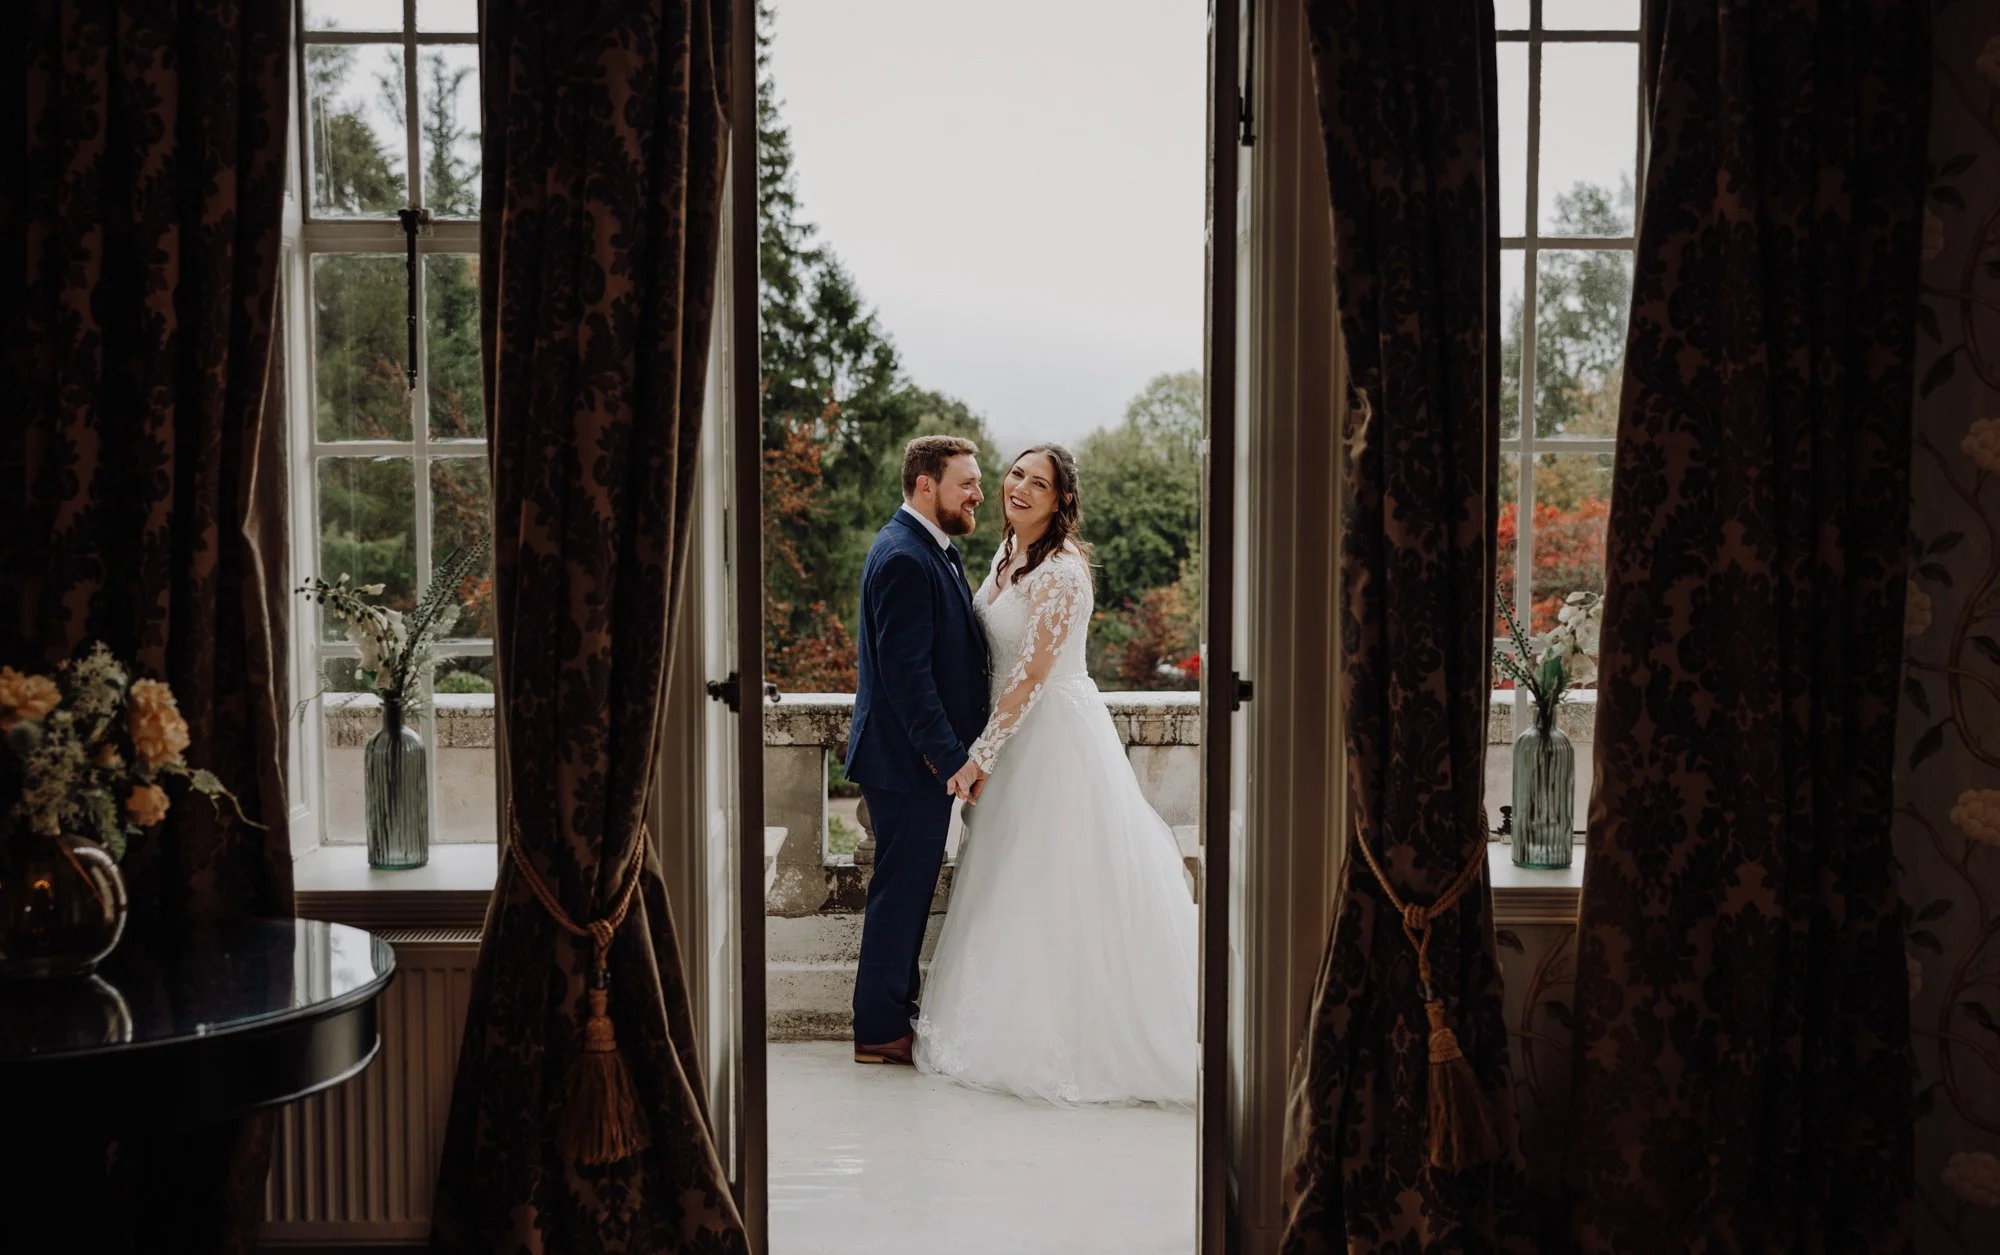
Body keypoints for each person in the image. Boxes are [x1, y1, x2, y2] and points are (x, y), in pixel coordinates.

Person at [914, 444, 1198, 1107]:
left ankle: (1075, 1038)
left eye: (1036, 482)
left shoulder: (1064, 574)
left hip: (1054, 737)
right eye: (1014, 474)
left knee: (1059, 880)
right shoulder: (1006, 555)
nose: (1018, 487)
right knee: (1010, 878)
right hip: (1014, 739)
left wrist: (981, 753)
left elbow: (1033, 675)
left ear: (1060, 500)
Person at [843, 435, 991, 1065]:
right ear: (927, 485)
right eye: (967, 483)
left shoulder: (929, 549)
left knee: (906, 892)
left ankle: (893, 1017)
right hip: (907, 765)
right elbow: (907, 677)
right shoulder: (904, 556)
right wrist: (951, 758)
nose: (979, 494)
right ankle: (879, 1030)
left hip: (910, 763)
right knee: (899, 897)